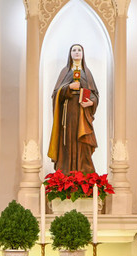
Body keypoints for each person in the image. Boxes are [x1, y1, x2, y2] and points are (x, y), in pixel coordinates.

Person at [47, 43, 99, 174]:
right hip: (68, 113)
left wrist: (91, 103)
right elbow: (55, 94)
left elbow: (95, 94)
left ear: (83, 53)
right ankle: (66, 173)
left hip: (82, 113)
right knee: (67, 141)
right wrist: (68, 88)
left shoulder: (87, 73)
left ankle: (83, 173)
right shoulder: (65, 72)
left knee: (83, 142)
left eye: (79, 50)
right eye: (74, 50)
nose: (76, 52)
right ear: (70, 54)